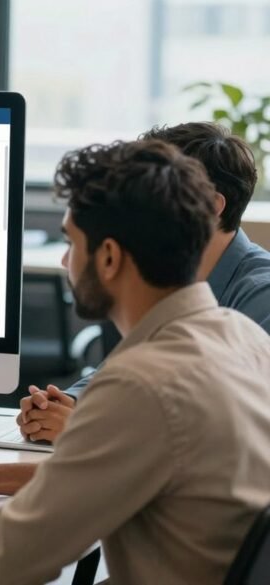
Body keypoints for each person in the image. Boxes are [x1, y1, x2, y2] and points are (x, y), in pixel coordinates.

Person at [0, 140, 270, 585]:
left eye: (72, 241)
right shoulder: (240, 336)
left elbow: (8, 557)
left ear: (108, 257)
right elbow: (133, 473)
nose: (67, 260)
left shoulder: (141, 384)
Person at [18, 122, 270, 443]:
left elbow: (211, 430)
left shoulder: (260, 296)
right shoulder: (165, 279)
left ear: (211, 206)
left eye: (160, 190)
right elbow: (122, 369)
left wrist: (86, 425)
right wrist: (63, 405)